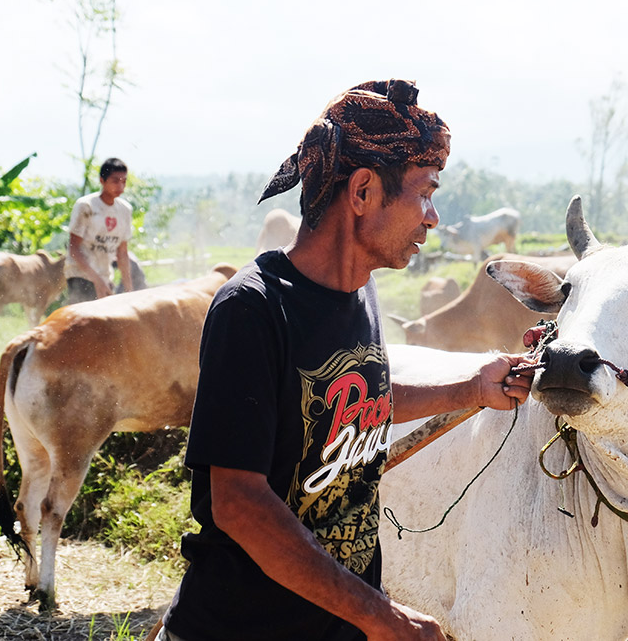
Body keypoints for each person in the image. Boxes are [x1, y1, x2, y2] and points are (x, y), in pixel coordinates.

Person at [157, 80, 535, 641]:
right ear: (363, 192)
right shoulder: (254, 309)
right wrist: (381, 616)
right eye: (425, 193)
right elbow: (237, 501)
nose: (432, 217)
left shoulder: (361, 292)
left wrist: (473, 388)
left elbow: (355, 404)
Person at [64, 157, 134, 303]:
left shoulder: (125, 210)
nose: (120, 186)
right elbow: (73, 248)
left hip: (105, 275)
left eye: (124, 181)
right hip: (81, 275)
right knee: (85, 320)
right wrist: (96, 280)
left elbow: (122, 252)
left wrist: (129, 290)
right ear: (102, 180)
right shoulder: (86, 206)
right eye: (115, 181)